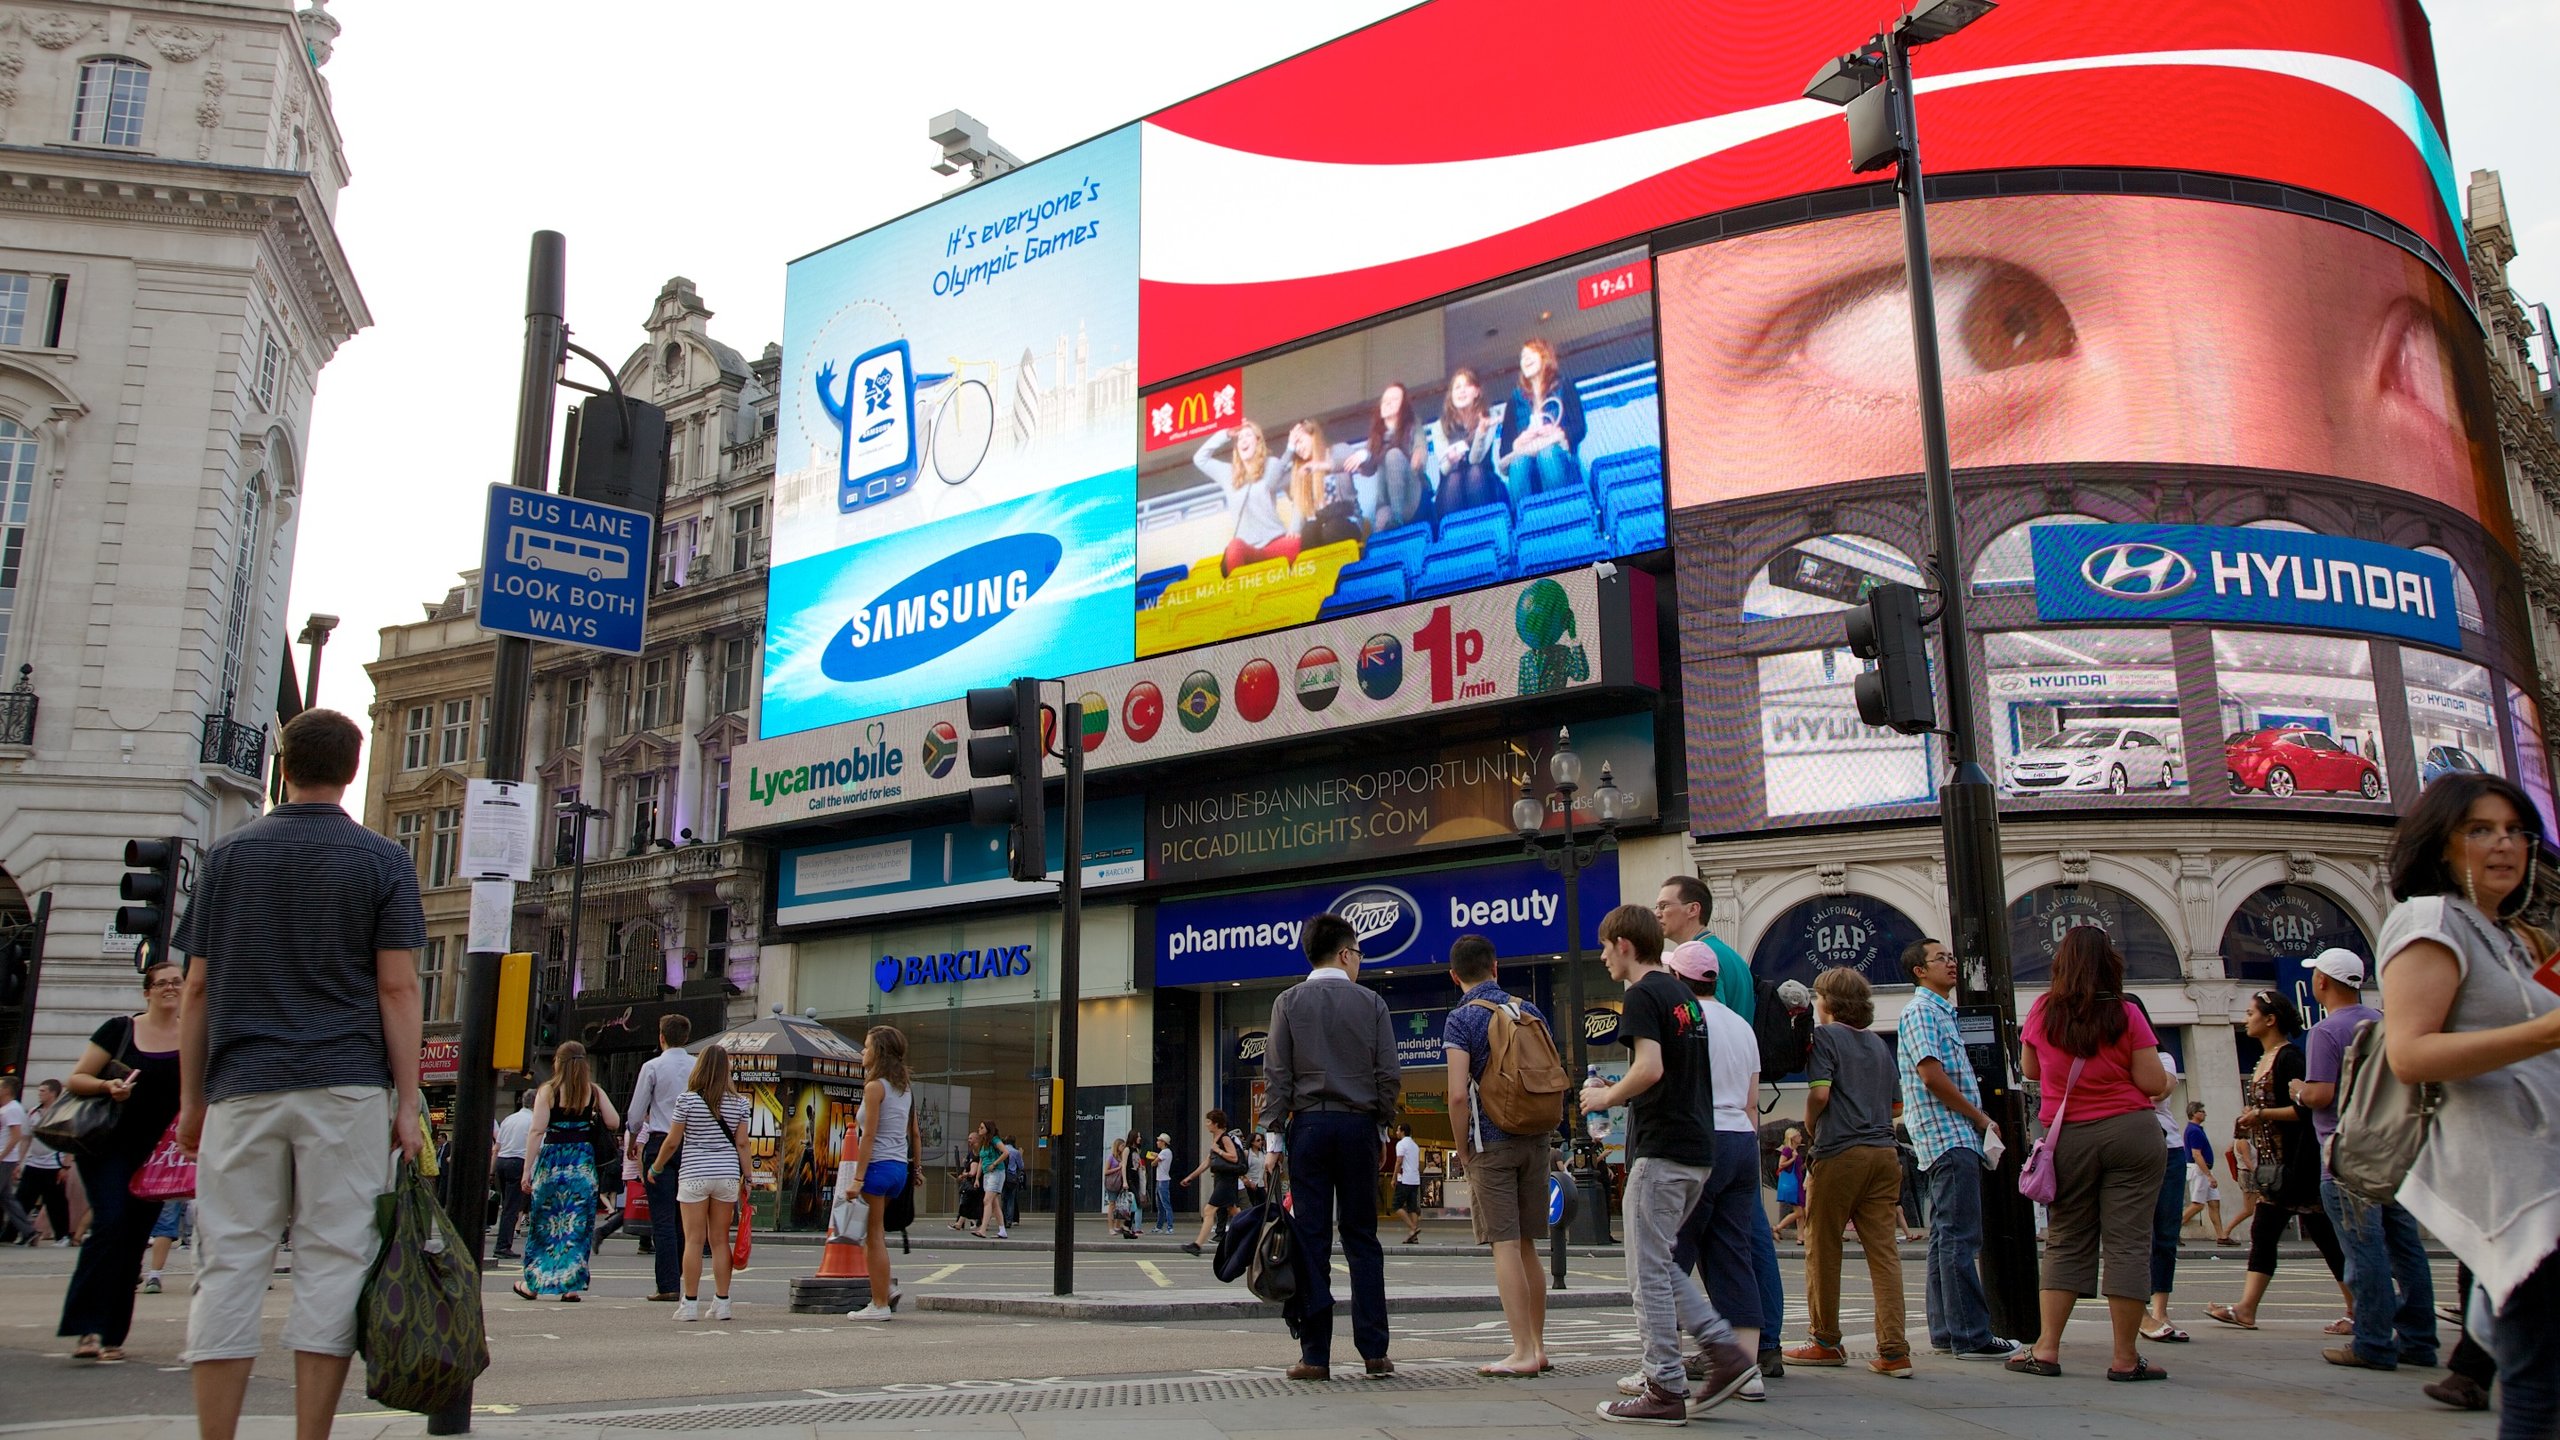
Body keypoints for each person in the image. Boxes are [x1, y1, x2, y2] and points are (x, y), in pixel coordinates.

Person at [172, 708, 425, 1440]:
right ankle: (309, 1435)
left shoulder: (226, 858)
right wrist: (407, 1102)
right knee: (334, 1261)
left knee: (229, 1260)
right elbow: (399, 989)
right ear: (353, 768)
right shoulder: (382, 860)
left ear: (284, 765)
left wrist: (193, 1099)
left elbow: (196, 988)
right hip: (345, 1085)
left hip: (243, 1084)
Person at [2374, 771, 2560, 1436]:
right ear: (2442, 843)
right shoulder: (2430, 919)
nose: (2503, 844)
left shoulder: (2508, 935)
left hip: (2543, 1173)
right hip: (2512, 1183)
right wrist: (2546, 1030)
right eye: (2480, 830)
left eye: (2514, 830)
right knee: (2539, 1384)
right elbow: (2411, 1054)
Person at [1583, 905, 1755, 1424]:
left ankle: (1664, 1386)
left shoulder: (1639, 995)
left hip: (1662, 1148)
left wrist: (1605, 1097)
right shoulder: (1684, 996)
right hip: (1699, 1147)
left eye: (1606, 946)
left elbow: (1650, 1068)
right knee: (1658, 1261)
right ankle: (1725, 1352)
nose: (1603, 956)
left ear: (1625, 945)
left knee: (1646, 1273)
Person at [2004, 927, 2172, 1382]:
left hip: (2070, 1136)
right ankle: (2123, 1357)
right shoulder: (2126, 1012)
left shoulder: (2041, 1012)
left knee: (2066, 1239)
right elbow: (2154, 1083)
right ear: (2110, 964)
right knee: (2128, 1243)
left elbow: (2031, 1070)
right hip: (2131, 1133)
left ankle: (2047, 1348)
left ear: (2060, 964)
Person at [1260, 911, 1400, 1382]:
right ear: (1344, 954)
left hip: (1310, 1130)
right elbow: (1387, 1076)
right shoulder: (1372, 1004)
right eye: (1358, 952)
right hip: (1359, 1127)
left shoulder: (1287, 1003)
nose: (1360, 960)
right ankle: (1374, 1352)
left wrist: (1274, 1138)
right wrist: (1382, 1129)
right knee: (1362, 1239)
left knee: (1312, 1241)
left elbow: (1277, 1075)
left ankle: (1314, 1355)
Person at [2291, 947, 2439, 1371]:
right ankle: (2420, 1341)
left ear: (2322, 982)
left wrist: (2297, 1089)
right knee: (2407, 1249)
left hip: (2345, 1156)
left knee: (2363, 1251)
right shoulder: (2384, 1024)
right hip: (2393, 1152)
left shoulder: (2327, 1032)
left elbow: (2320, 1094)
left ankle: (2373, 1342)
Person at [1657, 874, 1781, 1377]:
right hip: (1739, 1128)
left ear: (1693, 910)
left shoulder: (1703, 977)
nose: (1659, 912)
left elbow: (1702, 1050)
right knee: (1743, 1237)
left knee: (1680, 1250)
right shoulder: (1732, 968)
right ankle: (1758, 1346)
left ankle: (1688, 1355)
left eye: (1666, 905)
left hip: (1708, 1128)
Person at [1893, 937, 2022, 1362]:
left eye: (1951, 956)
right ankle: (1971, 1334)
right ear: (1919, 970)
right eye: (1941, 958)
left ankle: (1948, 1330)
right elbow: (1931, 1075)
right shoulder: (1923, 1012)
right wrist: (1980, 1118)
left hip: (1950, 1134)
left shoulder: (1940, 1012)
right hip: (1948, 1133)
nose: (1951, 963)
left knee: (1946, 1236)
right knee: (1960, 1237)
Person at [1785, 966, 1913, 1378]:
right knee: (1884, 1254)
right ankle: (1894, 1351)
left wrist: (1809, 1125)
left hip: (1840, 1152)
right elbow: (1896, 1108)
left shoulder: (1824, 1037)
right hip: (1884, 1154)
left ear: (1825, 1001)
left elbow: (1820, 1092)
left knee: (1823, 1248)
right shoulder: (1878, 1045)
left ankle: (1825, 1341)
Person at [1441, 933, 1558, 1378]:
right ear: (1496, 967)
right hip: (1537, 1137)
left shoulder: (1461, 1019)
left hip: (1491, 1142)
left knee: (1504, 1244)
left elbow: (1456, 1095)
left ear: (1455, 976)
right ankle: (1539, 1346)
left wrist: (1463, 1148)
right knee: (1529, 1244)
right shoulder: (1529, 1010)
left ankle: (1522, 1350)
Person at [2201, 988, 2350, 1334]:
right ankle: (2247, 1308)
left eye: (2251, 1013)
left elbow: (2306, 1108)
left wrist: (2262, 1113)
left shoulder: (2290, 1058)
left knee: (2321, 1234)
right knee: (2268, 1230)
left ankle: (2357, 1308)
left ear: (2271, 1020)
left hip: (2298, 1162)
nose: (2245, 1019)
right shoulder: (2263, 1059)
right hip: (2275, 1165)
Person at [59, 963, 184, 1361]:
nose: (169, 988)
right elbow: (76, 1078)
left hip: (156, 1156)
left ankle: (112, 1333)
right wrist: (106, 1085)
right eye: (161, 983)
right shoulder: (120, 1029)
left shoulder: (195, 1035)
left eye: (177, 982)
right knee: (111, 1224)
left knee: (133, 1239)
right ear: (147, 992)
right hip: (107, 1145)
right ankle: (88, 1329)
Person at [513, 1040, 618, 1302]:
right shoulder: (593, 1091)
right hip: (582, 1163)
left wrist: (527, 1170)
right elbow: (614, 1121)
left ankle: (534, 1284)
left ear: (558, 1062)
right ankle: (571, 1285)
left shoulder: (548, 1090)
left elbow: (537, 1130)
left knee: (544, 1223)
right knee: (577, 1226)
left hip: (552, 1161)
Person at [643, 1044, 740, 1321]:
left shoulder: (686, 1100)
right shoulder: (739, 1102)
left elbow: (673, 1141)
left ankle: (690, 1304)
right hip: (726, 1174)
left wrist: (657, 1167)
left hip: (694, 1173)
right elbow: (743, 1143)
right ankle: (722, 1303)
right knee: (720, 1241)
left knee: (694, 1241)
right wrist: (748, 1175)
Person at [2123, 994, 2189, 1344]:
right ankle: (2141, 1312)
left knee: (2165, 1233)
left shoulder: (2161, 1056)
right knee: (2136, 1235)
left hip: (2169, 1150)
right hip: (2130, 1151)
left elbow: (2159, 1089)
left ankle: (2160, 1309)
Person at [844, 1026, 918, 1323]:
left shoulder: (875, 1087)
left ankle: (879, 1302)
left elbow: (868, 1135)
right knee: (873, 1234)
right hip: (898, 1168)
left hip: (877, 1167)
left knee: (873, 1236)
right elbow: (910, 1131)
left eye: (866, 1047)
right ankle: (883, 1289)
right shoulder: (903, 1087)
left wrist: (857, 1178)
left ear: (879, 1052)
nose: (863, 1052)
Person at [626, 1013, 694, 1301]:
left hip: (660, 1141)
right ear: (686, 1037)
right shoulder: (697, 1065)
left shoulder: (652, 1066)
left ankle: (667, 1284)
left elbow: (635, 1113)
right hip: (692, 1146)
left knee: (663, 1218)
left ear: (662, 1037)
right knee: (685, 1217)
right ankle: (681, 1275)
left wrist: (632, 1139)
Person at [1195, 421, 1303, 576]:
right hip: (1246, 549)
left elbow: (1298, 487)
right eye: (1239, 438)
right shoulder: (1228, 473)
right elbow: (1200, 459)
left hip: (1275, 542)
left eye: (1248, 435)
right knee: (1234, 548)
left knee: (1297, 543)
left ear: (1257, 441)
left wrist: (1295, 527)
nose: (1243, 440)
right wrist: (1226, 433)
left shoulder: (1271, 464)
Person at [1496, 337, 1587, 502]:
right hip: (1527, 462)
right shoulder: (1514, 400)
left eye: (1532, 353)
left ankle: (1561, 513)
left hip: (1560, 459)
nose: (1526, 359)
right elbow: (1504, 451)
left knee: (1548, 454)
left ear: (1545, 357)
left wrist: (1558, 432)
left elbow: (1579, 428)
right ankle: (1525, 522)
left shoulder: (1564, 385)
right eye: (1523, 356)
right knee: (1518, 465)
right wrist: (1521, 439)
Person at [1427, 368, 1503, 520]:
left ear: (1477, 392)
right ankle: (1456, 539)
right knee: (1454, 479)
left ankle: (1484, 532)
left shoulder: (1489, 416)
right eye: (1457, 387)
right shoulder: (1438, 426)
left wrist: (1481, 432)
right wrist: (1451, 460)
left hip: (1483, 479)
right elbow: (1444, 468)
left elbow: (1476, 459)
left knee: (1475, 473)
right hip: (1450, 483)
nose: (1461, 391)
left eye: (1467, 386)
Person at [1350, 382, 1425, 533]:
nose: (1388, 403)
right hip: (1385, 501)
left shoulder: (1413, 425)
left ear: (1403, 405)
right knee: (1382, 525)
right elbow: (1368, 470)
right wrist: (1363, 457)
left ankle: (1397, 518)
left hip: (1410, 496)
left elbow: (1420, 448)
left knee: (1393, 455)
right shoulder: (1376, 436)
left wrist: (1418, 457)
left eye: (1394, 399)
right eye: (1385, 400)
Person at [1288, 419, 1364, 551]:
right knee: (1308, 532)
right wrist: (1294, 529)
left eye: (1299, 441)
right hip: (1317, 525)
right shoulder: (1301, 471)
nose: (1298, 449)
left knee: (1330, 529)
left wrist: (1322, 466)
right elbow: (1299, 506)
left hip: (1345, 519)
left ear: (1312, 435)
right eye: (1295, 447)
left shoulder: (1338, 451)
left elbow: (1359, 463)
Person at [15, 1079, 71, 1245]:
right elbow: (26, 1139)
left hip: (54, 1165)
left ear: (53, 1093)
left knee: (56, 1202)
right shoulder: (33, 1112)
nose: (39, 1094)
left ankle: (62, 1236)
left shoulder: (62, 1113)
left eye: (43, 1091)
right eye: (39, 1090)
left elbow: (69, 1142)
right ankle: (16, 1233)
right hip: (33, 1163)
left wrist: (66, 1165)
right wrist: (20, 1161)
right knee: (22, 1200)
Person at [1182, 1110, 1245, 1256]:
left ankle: (1197, 1245)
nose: (1206, 1124)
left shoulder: (1224, 1139)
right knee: (1234, 1211)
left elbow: (1234, 1158)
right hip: (1222, 1179)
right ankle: (1254, 1234)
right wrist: (1190, 1177)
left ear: (1216, 1124)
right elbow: (1206, 1163)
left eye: (1209, 1121)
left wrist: (1219, 1151)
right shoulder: (1216, 1140)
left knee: (1209, 1211)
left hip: (1226, 1181)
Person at [491, 1092, 535, 1260]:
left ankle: (503, 1243)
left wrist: (492, 1171)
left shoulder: (509, 1119)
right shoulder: (533, 1121)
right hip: (519, 1163)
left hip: (503, 1161)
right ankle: (502, 1246)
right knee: (512, 1207)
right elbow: (538, 1147)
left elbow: (497, 1148)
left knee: (507, 1205)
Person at [2177, 1104, 2221, 1239]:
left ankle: (2221, 1235)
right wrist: (2208, 1175)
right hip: (2200, 1169)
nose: (2205, 1114)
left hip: (2204, 1169)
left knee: (2214, 1202)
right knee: (2198, 1204)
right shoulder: (2194, 1131)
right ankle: (2173, 1229)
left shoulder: (2196, 1130)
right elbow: (2196, 1154)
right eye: (2201, 1111)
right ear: (2194, 1113)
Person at [0, 1075, 35, 1243]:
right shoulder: (6, 1108)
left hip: (4, 1159)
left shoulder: (12, 1109)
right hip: (6, 1159)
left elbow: (16, 1136)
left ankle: (29, 1231)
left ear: (7, 1089)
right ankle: (29, 1231)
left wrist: (2, 1156)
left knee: (6, 1197)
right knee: (7, 1197)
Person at [2216, 1133, 2259, 1245]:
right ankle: (2225, 1233)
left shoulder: (2239, 1141)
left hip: (2246, 1174)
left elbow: (2228, 1151)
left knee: (2262, 1204)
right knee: (2248, 1210)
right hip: (2248, 1175)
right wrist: (2258, 1173)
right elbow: (2247, 1160)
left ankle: (2264, 1236)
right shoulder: (2243, 1142)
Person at [142, 1200, 191, 1294]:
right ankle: (154, 1276)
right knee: (165, 1224)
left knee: (133, 1220)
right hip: (167, 1186)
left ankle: (134, 1270)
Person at [1389, 1126, 1424, 1244]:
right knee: (1412, 1207)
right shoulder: (1415, 1145)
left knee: (1396, 1206)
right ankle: (1413, 1237)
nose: (1397, 1132)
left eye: (1398, 1130)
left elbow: (1399, 1161)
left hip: (1405, 1179)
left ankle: (1412, 1228)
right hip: (1415, 1179)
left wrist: (1394, 1178)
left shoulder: (1401, 1144)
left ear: (1403, 1132)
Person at [1773, 1129, 1809, 1241]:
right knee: (1799, 1212)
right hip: (1793, 1185)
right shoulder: (1788, 1151)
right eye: (1798, 1136)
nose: (1801, 1138)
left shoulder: (1795, 1150)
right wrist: (1793, 1159)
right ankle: (1778, 1227)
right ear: (1792, 1138)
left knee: (1801, 1212)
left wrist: (1806, 1165)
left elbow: (1797, 1168)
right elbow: (1781, 1164)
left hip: (1797, 1183)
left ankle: (1800, 1237)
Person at [1104, 1136, 1136, 1238]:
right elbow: (1106, 1171)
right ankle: (1110, 1227)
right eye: (1122, 1146)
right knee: (1112, 1205)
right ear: (1117, 1146)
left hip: (1120, 1184)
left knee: (1119, 1206)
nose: (1123, 1148)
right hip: (1113, 1183)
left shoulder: (1122, 1157)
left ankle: (1117, 1226)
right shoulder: (1111, 1158)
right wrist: (1118, 1168)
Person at [1152, 1132, 1176, 1235]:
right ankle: (1159, 1226)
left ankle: (1170, 1226)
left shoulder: (1165, 1152)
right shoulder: (1166, 1152)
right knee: (1160, 1205)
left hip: (1163, 1181)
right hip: (1160, 1180)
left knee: (1165, 1205)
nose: (1157, 1142)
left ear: (1163, 1142)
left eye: (1159, 1141)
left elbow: (1154, 1163)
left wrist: (1154, 1157)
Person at [1243, 1131, 1270, 1211]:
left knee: (1264, 1205)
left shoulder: (1262, 1154)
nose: (1260, 1142)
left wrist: (1266, 1186)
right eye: (1258, 1140)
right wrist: (1249, 1181)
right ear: (1252, 1142)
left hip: (1260, 1184)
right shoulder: (1247, 1153)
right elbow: (1243, 1169)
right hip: (1249, 1183)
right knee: (1252, 1205)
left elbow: (1264, 1171)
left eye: (1261, 1140)